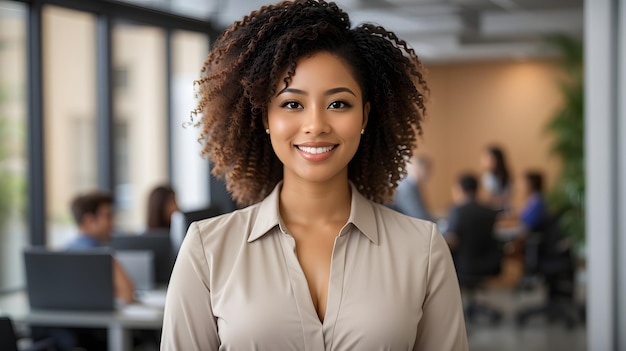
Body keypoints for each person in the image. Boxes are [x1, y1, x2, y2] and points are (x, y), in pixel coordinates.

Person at [161, 1, 467, 350]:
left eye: (339, 104)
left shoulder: (422, 249)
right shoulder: (208, 249)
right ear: (265, 118)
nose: (316, 125)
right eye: (292, 104)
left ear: (365, 116)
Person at [390, 155, 435, 221]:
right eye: (426, 169)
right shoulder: (407, 188)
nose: (429, 174)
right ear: (417, 168)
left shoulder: (414, 186)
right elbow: (419, 217)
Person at [480, 145, 512, 213]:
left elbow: (487, 199)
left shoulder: (503, 176)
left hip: (500, 211)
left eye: (487, 158)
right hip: (495, 210)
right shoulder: (487, 176)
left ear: (497, 160)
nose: (483, 161)